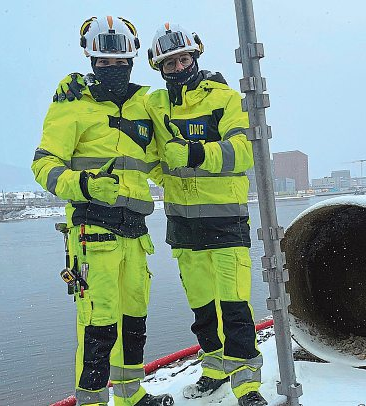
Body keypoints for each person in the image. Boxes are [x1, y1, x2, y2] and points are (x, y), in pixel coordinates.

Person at [32, 16, 173, 406]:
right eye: (103, 63)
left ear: (132, 60)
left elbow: (162, 158)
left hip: (136, 233)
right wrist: (84, 185)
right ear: (91, 61)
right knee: (97, 326)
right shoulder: (72, 104)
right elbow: (43, 164)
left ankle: (131, 395)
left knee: (134, 323)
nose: (112, 70)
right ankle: (92, 401)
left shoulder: (146, 104)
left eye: (120, 62)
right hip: (93, 233)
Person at [146, 23, 267, 406]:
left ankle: (247, 387)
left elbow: (245, 150)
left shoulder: (224, 99)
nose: (178, 67)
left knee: (235, 307)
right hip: (183, 227)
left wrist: (198, 153)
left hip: (225, 222)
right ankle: (214, 371)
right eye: (170, 63)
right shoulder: (155, 105)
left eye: (183, 59)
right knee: (202, 310)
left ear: (195, 56)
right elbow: (145, 150)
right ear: (159, 68)